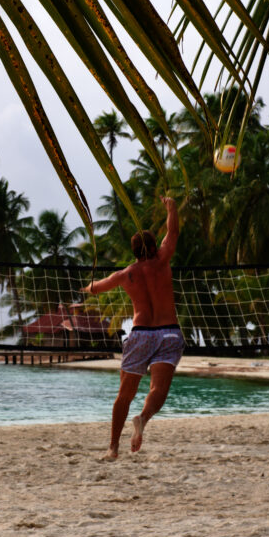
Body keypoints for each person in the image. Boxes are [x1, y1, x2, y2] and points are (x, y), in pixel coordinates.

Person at [84, 196, 183, 461]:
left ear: (134, 251)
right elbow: (172, 232)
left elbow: (98, 287)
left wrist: (86, 289)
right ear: (153, 246)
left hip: (140, 334)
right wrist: (171, 208)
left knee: (123, 396)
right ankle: (143, 418)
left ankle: (113, 448)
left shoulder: (126, 274)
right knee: (157, 391)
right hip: (169, 332)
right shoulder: (163, 260)